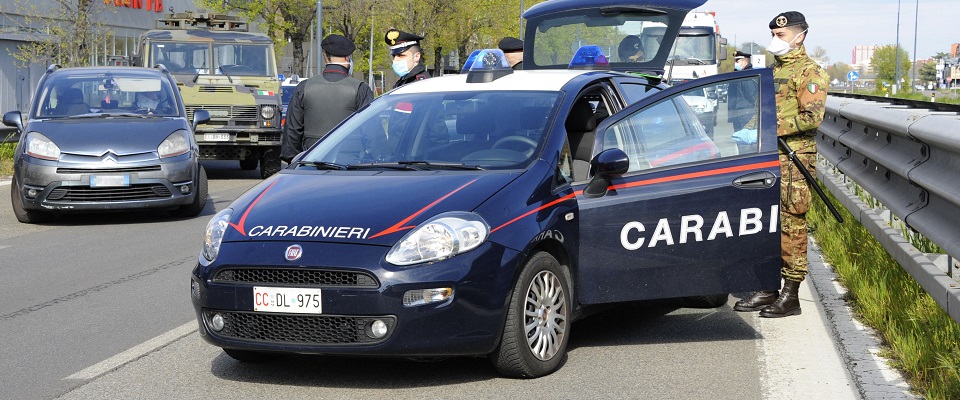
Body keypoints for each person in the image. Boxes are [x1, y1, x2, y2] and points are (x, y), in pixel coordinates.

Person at [733, 11, 828, 318]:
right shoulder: (771, 72)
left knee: (791, 223)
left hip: (794, 159)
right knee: (765, 223)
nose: (775, 40)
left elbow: (811, 118)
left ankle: (791, 294)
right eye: (773, 34)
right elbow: (760, 111)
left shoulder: (811, 73)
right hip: (767, 158)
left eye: (781, 36)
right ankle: (766, 288)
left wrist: (769, 128)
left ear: (800, 36)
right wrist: (747, 132)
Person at [280, 34, 375, 163]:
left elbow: (292, 131)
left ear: (325, 56)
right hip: (349, 164)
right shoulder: (361, 89)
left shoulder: (304, 87)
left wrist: (293, 160)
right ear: (348, 57)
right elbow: (371, 131)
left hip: (311, 162)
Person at [726, 51, 758, 133]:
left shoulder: (747, 76)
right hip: (739, 114)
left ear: (744, 62)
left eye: (737, 61)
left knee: (744, 143)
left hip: (745, 115)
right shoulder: (739, 75)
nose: (735, 63)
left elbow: (752, 96)